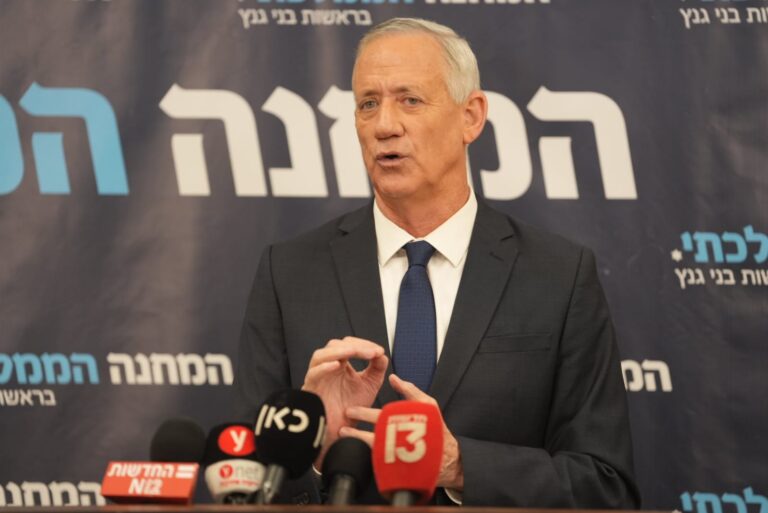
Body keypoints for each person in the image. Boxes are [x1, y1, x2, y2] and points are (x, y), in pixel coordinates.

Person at [234, 17, 640, 508]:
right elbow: (241, 482)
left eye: (410, 100)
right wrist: (313, 453)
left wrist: (459, 465)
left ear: (471, 117)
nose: (385, 125)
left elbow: (605, 487)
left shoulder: (559, 276)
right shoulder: (289, 273)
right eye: (368, 103)